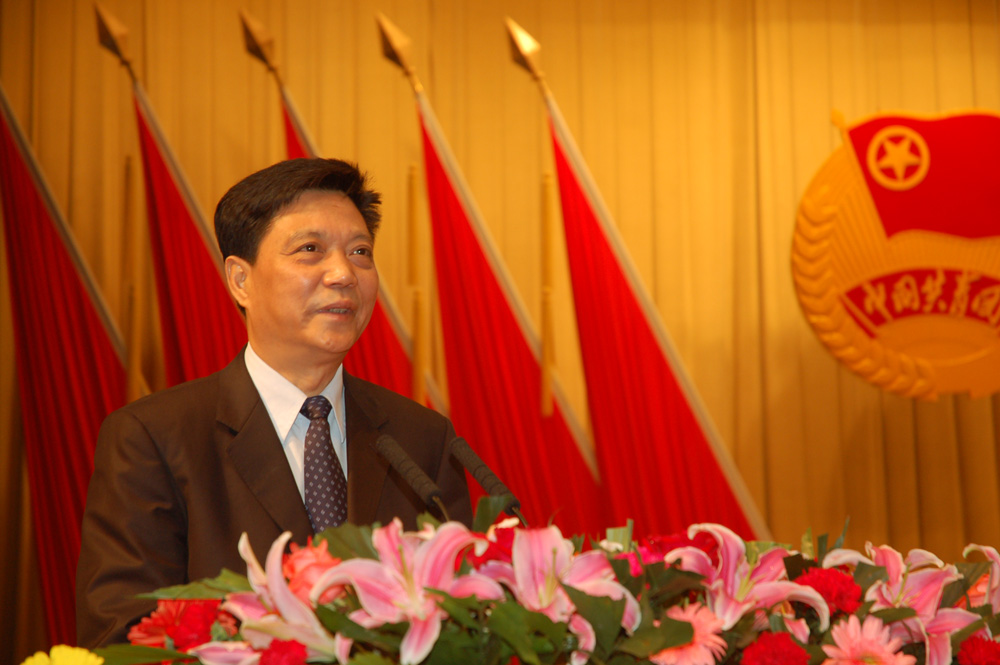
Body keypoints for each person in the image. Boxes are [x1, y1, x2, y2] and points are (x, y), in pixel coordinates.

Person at [76, 158, 472, 648]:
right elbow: (123, 637)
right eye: (310, 250)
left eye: (360, 252)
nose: (343, 273)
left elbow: (463, 623)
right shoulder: (154, 438)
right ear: (240, 280)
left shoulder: (422, 439)